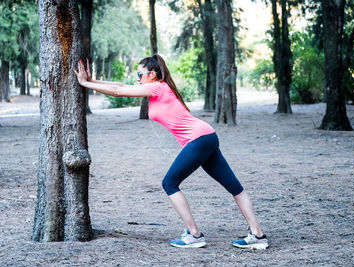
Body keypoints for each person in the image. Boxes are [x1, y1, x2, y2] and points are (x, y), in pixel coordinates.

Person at [73, 54, 268, 249]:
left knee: (170, 183)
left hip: (199, 140)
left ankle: (194, 234)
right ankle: (258, 235)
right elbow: (120, 86)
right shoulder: (157, 87)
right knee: (235, 188)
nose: (137, 78)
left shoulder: (157, 87)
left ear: (152, 74)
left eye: (140, 74)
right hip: (207, 136)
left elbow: (117, 91)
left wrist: (85, 84)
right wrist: (92, 81)